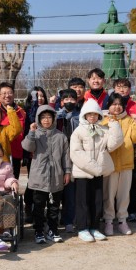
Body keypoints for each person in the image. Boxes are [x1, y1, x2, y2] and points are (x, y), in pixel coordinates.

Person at [69, 99, 123, 242]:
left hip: (99, 172)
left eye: (95, 114)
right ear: (84, 116)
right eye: (89, 114)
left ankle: (94, 227)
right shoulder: (78, 131)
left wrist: (114, 124)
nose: (92, 117)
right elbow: (75, 153)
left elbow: (113, 145)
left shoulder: (103, 130)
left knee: (97, 201)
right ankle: (82, 228)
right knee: (82, 202)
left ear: (99, 115)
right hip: (83, 173)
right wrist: (94, 167)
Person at [21, 105, 71, 244]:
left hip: (56, 175)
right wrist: (31, 132)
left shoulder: (61, 136)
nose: (46, 120)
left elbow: (65, 156)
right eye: (43, 117)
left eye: (49, 117)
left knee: (54, 206)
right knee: (38, 206)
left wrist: (67, 171)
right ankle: (38, 231)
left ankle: (53, 230)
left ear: (54, 118)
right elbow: (27, 147)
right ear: (38, 119)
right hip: (39, 176)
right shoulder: (35, 134)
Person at [101, 93, 136, 236]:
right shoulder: (103, 121)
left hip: (126, 163)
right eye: (113, 104)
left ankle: (122, 221)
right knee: (108, 194)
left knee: (124, 195)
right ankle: (108, 221)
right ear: (108, 105)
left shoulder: (130, 120)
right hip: (109, 164)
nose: (117, 107)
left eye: (120, 104)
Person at [55, 89, 81, 233]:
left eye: (72, 98)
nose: (69, 101)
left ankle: (69, 219)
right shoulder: (56, 115)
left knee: (71, 190)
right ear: (61, 101)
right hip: (58, 156)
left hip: (74, 156)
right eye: (66, 99)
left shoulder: (80, 116)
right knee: (58, 190)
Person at [23, 86, 49, 224]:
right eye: (36, 96)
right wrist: (33, 104)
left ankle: (39, 210)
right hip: (32, 152)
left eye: (41, 96)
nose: (39, 98)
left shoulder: (48, 113)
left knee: (44, 182)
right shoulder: (28, 112)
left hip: (45, 151)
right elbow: (33, 119)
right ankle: (28, 207)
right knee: (32, 181)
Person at [95, 0, 129, 81]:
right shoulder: (104, 25)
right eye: (112, 15)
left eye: (114, 15)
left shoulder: (121, 25)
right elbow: (96, 36)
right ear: (109, 15)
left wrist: (130, 43)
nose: (113, 16)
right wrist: (103, 44)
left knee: (121, 74)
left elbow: (129, 37)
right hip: (108, 51)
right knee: (106, 73)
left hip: (119, 52)